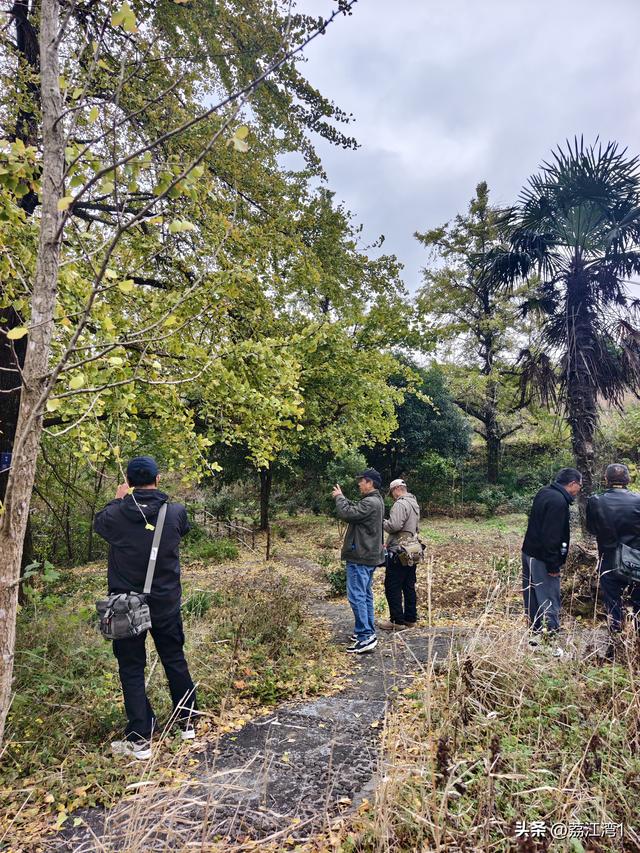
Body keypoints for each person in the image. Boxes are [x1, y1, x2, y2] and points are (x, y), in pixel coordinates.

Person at [94, 456, 196, 759]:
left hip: (127, 606)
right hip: (165, 602)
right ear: (158, 479)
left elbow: (100, 523)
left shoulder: (115, 515)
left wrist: (118, 498)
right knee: (174, 659)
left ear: (128, 482)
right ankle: (187, 722)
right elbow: (183, 531)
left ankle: (140, 740)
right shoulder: (175, 512)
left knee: (131, 669)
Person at [521, 467, 582, 648]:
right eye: (579, 486)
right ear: (572, 484)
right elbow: (552, 537)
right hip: (542, 558)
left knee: (532, 597)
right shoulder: (558, 502)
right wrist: (553, 565)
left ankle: (536, 636)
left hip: (529, 553)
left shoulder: (545, 492)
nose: (579, 490)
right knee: (548, 598)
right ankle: (551, 640)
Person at [332, 468, 385, 654]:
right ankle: (365, 632)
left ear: (370, 482)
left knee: (357, 596)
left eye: (362, 480)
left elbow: (347, 513)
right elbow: (355, 510)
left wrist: (339, 497)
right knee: (365, 595)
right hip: (368, 555)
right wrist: (344, 499)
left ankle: (365, 636)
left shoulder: (370, 502)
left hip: (361, 556)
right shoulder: (375, 501)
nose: (359, 483)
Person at [586, 463, 640, 638]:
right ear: (627, 479)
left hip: (608, 559)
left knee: (612, 604)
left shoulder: (595, 501)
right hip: (636, 559)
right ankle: (636, 644)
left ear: (606, 480)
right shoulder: (638, 500)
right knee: (638, 604)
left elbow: (592, 529)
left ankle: (615, 642)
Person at [379, 478, 421, 632]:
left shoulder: (400, 504)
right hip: (413, 547)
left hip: (400, 550)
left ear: (396, 489)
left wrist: (381, 522)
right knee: (408, 585)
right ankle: (410, 619)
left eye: (392, 493)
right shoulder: (414, 503)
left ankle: (397, 621)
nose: (392, 496)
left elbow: (394, 525)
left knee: (392, 585)